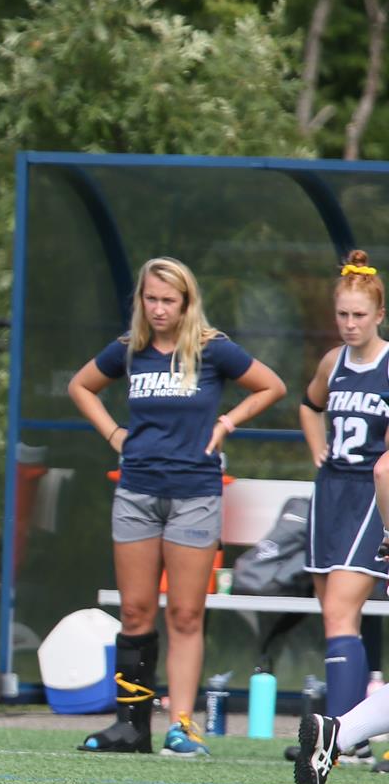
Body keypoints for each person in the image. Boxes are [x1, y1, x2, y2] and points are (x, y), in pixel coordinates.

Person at [67, 255, 286, 756]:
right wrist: (114, 434)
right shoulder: (129, 349)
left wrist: (227, 423)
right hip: (137, 493)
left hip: (195, 495)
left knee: (186, 614)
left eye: (169, 300)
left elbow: (272, 386)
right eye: (151, 298)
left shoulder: (213, 349)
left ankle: (182, 726)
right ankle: (130, 726)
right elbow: (80, 386)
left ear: (187, 302)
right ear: (140, 300)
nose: (159, 308)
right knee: (136, 611)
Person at [294, 253, 389, 784]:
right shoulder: (333, 362)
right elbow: (309, 405)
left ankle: (341, 736)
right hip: (333, 491)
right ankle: (341, 734)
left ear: (379, 315)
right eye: (342, 314)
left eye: (359, 315)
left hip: (375, 494)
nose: (350, 324)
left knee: (339, 612)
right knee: (333, 616)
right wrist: (317, 449)